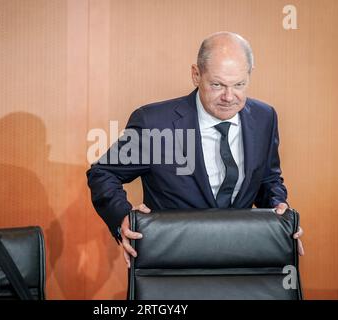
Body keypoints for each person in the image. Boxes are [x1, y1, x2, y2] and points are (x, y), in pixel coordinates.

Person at [87, 32, 304, 268]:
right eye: (217, 85)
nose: (229, 97)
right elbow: (103, 173)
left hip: (242, 258)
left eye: (239, 85)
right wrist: (122, 217)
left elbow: (268, 178)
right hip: (171, 262)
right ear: (196, 75)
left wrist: (280, 211)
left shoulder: (265, 117)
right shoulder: (155, 122)